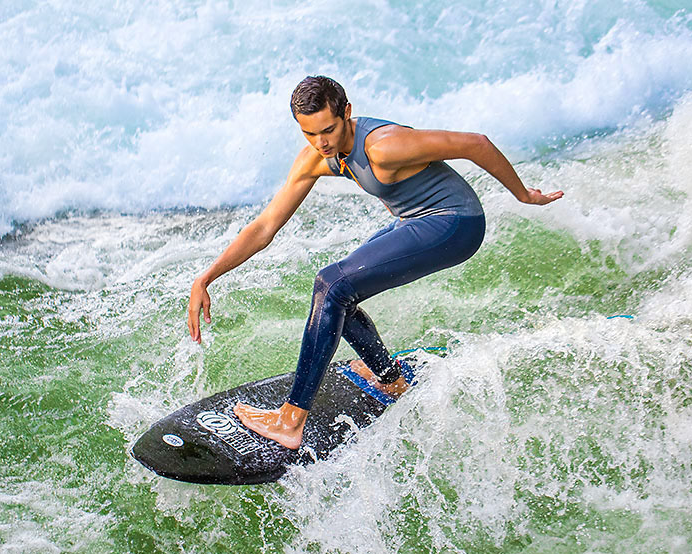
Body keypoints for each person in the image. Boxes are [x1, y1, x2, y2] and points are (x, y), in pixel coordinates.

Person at [187, 75, 562, 450]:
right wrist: (206, 278)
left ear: (347, 113)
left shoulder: (385, 146)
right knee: (335, 294)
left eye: (329, 130)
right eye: (309, 134)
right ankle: (391, 379)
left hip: (455, 223)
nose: (322, 143)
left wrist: (524, 195)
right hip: (415, 219)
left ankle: (290, 421)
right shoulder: (318, 156)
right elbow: (266, 226)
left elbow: (475, 144)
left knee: (332, 285)